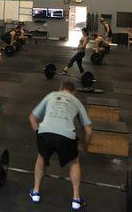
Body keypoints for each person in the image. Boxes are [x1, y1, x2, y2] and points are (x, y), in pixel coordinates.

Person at [28, 81, 92, 210]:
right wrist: (84, 147)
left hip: (45, 132)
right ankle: (76, 200)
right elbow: (89, 131)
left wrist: (39, 134)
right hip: (66, 136)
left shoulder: (51, 95)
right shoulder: (77, 101)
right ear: (73, 91)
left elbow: (32, 118)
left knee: (41, 157)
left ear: (60, 89)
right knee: (74, 162)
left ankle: (35, 192)